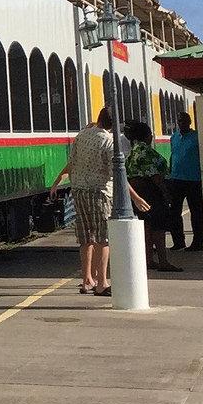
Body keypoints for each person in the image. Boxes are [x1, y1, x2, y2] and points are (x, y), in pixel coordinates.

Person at [50, 107, 118, 296]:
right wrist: (135, 198)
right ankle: (102, 283)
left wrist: (57, 181)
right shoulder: (108, 141)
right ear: (114, 125)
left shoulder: (81, 136)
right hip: (99, 192)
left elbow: (72, 162)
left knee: (86, 237)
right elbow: (117, 173)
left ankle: (87, 279)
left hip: (78, 191)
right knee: (103, 238)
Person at [124, 121, 180, 272]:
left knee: (146, 227)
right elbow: (155, 176)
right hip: (152, 192)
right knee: (158, 227)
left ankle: (148, 259)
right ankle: (163, 261)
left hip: (139, 193)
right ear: (147, 136)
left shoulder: (133, 152)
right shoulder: (145, 152)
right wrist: (166, 193)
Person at [167, 107, 203, 252]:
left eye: (184, 121)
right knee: (174, 212)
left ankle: (197, 242)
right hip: (176, 179)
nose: (181, 123)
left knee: (196, 212)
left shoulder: (197, 137)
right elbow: (173, 155)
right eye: (179, 121)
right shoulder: (174, 137)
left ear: (189, 122)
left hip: (194, 179)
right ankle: (178, 241)